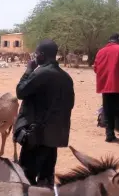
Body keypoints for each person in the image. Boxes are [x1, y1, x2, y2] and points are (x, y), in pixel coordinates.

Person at [14, 39, 75, 187]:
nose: (35, 57)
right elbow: (70, 104)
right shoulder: (66, 77)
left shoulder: (40, 73)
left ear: (41, 54)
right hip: (53, 138)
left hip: (36, 136)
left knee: (26, 177)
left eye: (36, 54)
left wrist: (29, 70)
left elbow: (20, 92)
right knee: (46, 177)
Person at [94, 33, 119, 144]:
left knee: (108, 111)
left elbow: (96, 68)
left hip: (105, 87)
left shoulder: (100, 51)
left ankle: (109, 136)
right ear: (118, 40)